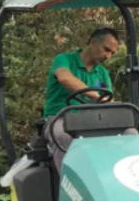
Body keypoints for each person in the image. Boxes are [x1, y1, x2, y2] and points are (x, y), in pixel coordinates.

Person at [42, 27, 122, 172]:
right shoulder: (64, 60)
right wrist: (96, 96)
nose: (108, 56)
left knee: (129, 132)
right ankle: (69, 184)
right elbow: (65, 78)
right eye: (106, 49)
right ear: (93, 42)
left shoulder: (102, 73)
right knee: (61, 135)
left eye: (112, 53)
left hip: (90, 121)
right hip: (59, 118)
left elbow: (108, 102)